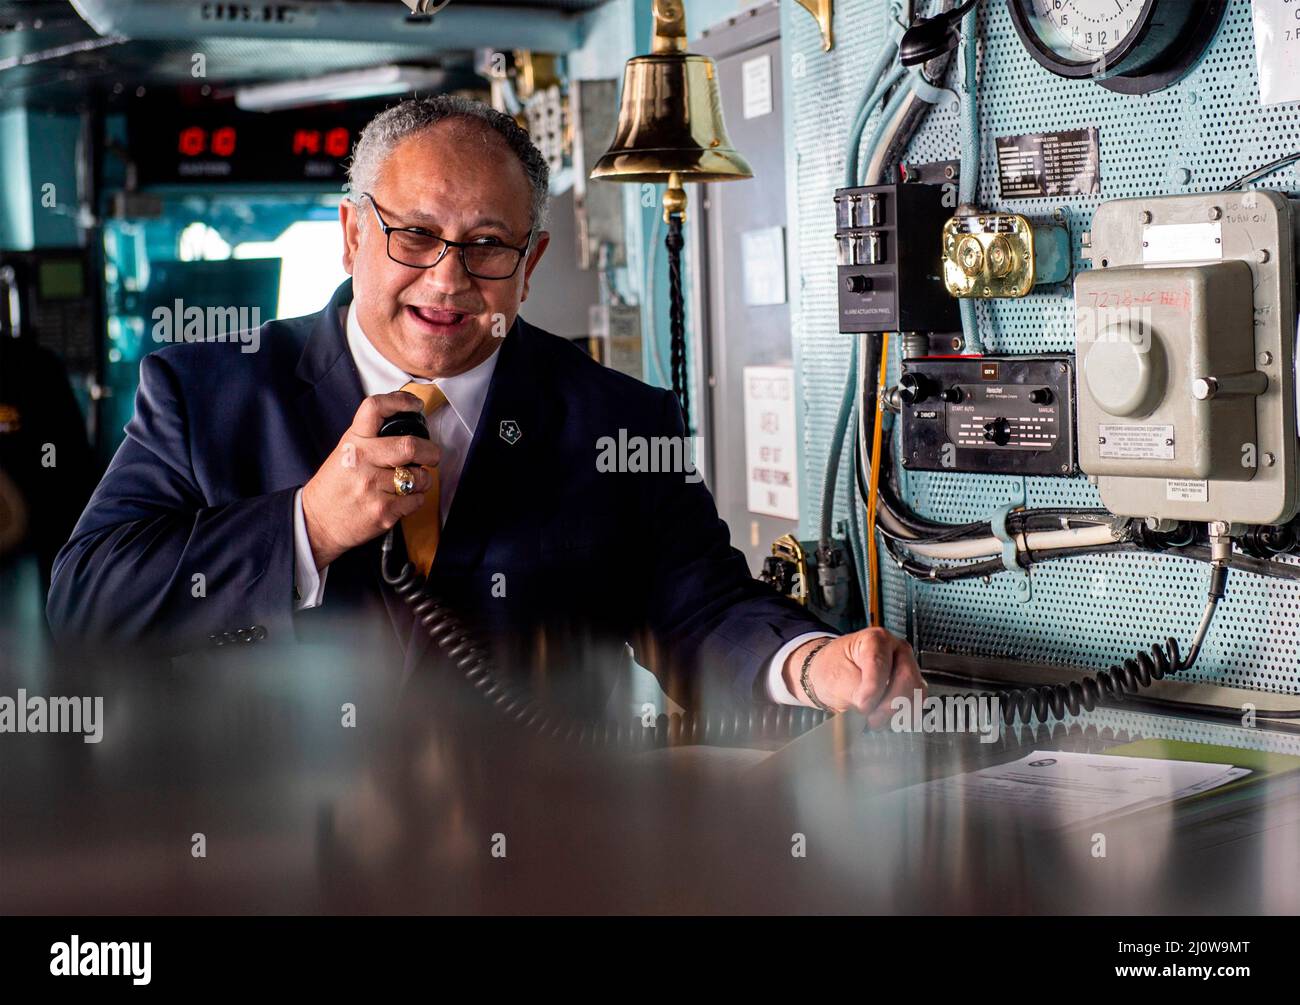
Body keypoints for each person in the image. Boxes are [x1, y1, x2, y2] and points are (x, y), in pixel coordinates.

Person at [47, 95, 924, 724]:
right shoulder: (208, 392)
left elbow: (698, 612)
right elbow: (87, 606)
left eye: (487, 245)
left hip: (526, 858)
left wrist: (809, 665)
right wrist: (307, 523)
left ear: (532, 258)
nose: (449, 279)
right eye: (415, 234)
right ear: (352, 233)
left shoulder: (619, 422)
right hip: (266, 851)